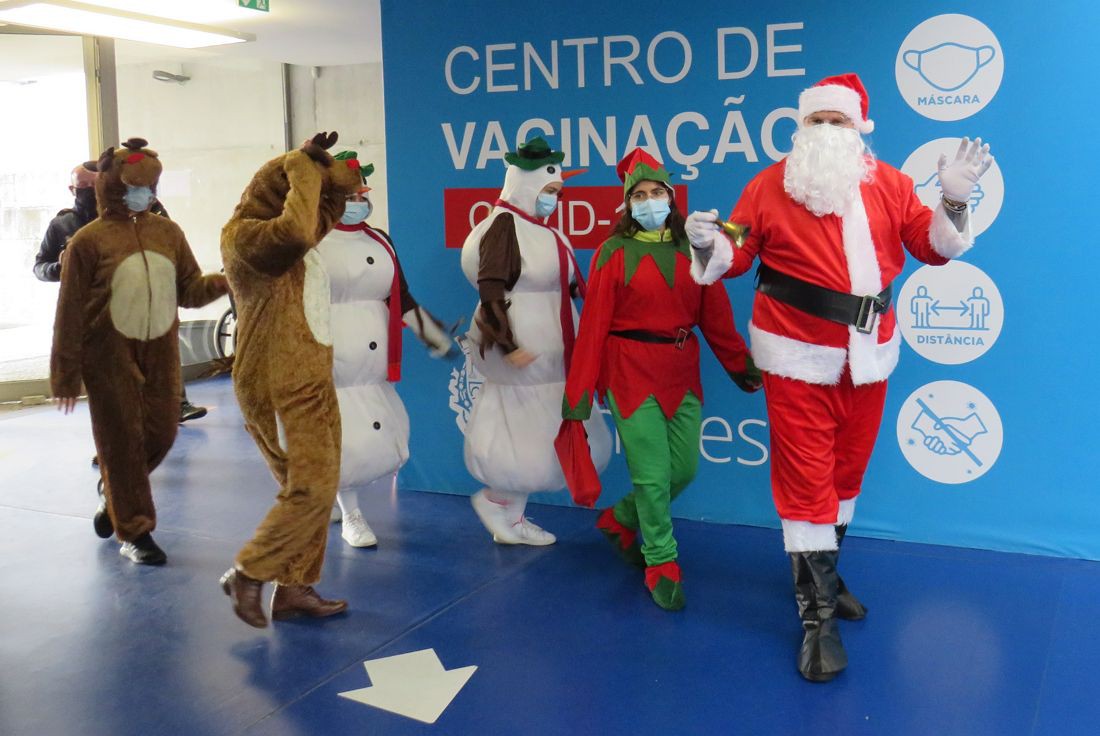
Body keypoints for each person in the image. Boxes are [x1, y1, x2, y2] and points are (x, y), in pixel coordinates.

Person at [686, 73, 993, 681]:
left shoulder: (893, 185)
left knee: (846, 476)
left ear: (859, 130)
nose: (826, 131)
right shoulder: (768, 185)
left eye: (838, 122)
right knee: (806, 481)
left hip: (870, 355)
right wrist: (708, 244)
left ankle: (825, 576)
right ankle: (817, 621)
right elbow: (737, 252)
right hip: (796, 356)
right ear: (801, 129)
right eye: (816, 121)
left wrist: (953, 202)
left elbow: (932, 248)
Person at [561, 148, 760, 610]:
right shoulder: (613, 252)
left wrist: (740, 367)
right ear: (628, 204)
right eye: (640, 195)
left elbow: (717, 318)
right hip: (628, 371)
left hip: (680, 370)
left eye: (657, 193)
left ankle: (622, 517)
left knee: (683, 469)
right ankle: (661, 562)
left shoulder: (695, 247)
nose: (649, 201)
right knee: (652, 476)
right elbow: (592, 326)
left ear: (672, 198)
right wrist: (580, 391)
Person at [51, 138, 228, 565]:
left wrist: (226, 279)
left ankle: (112, 493)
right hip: (107, 355)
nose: (144, 193)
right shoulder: (88, 241)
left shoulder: (167, 232)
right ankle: (135, 530)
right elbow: (69, 310)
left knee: (163, 432)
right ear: (112, 185)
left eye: (150, 185)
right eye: (135, 185)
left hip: (162, 351)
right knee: (121, 442)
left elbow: (189, 290)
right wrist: (65, 373)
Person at [218, 132, 363, 628]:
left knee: (317, 486)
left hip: (308, 375)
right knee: (309, 485)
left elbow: (315, 221)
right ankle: (250, 572)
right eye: (303, 187)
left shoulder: (283, 234)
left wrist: (333, 184)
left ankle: (294, 588)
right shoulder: (246, 236)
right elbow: (299, 231)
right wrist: (301, 166)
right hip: (278, 379)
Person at [460, 136, 611, 545]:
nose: (554, 200)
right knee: (524, 439)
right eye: (548, 191)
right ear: (526, 186)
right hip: (525, 363)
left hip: (553, 364)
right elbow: (490, 289)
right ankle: (497, 502)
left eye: (558, 193)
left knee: (539, 436)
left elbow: (572, 288)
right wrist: (508, 345)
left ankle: (510, 516)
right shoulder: (504, 228)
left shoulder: (542, 232)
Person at [317, 155, 457, 547]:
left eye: (362, 193)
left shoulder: (380, 239)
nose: (358, 201)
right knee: (345, 437)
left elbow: (401, 296)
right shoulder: (311, 241)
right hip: (331, 357)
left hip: (373, 364)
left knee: (370, 434)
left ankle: (330, 497)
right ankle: (351, 512)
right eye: (349, 195)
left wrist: (431, 333)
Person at [35, 161, 209, 424]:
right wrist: (60, 268)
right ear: (72, 189)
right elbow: (39, 266)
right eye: (82, 187)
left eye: (94, 185)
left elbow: (167, 244)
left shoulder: (138, 214)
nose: (89, 192)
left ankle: (176, 404)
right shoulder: (63, 224)